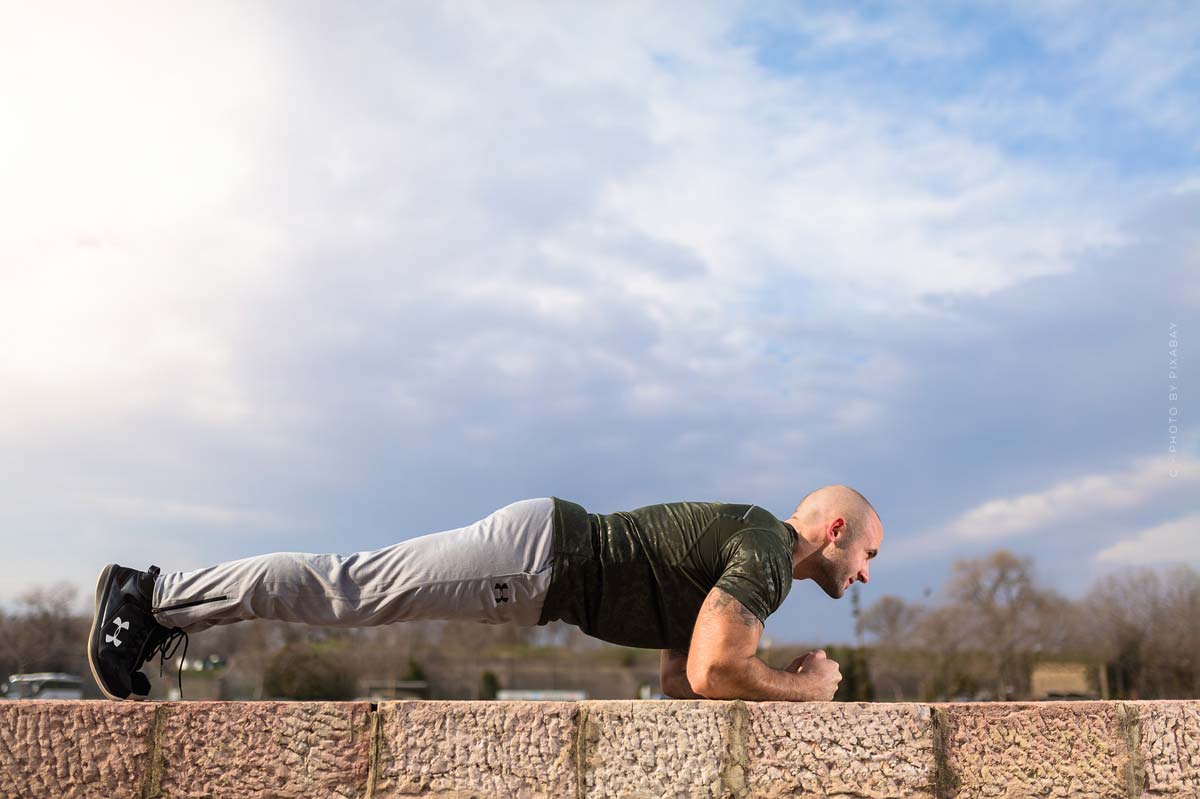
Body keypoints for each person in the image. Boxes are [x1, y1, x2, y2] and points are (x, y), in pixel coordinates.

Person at [87, 484, 882, 702]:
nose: (868, 573)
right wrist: (806, 688)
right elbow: (715, 672)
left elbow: (682, 677)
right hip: (541, 559)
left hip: (543, 558)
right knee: (350, 588)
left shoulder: (749, 553)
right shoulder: (769, 553)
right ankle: (153, 596)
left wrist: (758, 671)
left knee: (352, 587)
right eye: (870, 553)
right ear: (836, 527)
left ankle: (158, 599)